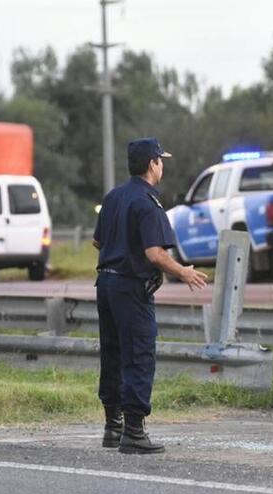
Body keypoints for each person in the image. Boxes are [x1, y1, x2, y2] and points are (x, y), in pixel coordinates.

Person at [93, 137, 208, 454]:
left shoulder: (114, 197)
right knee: (139, 355)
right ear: (152, 164)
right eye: (160, 160)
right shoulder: (148, 202)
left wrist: (121, 250)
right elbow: (155, 253)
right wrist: (183, 271)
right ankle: (133, 432)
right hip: (131, 287)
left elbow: (98, 243)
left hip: (106, 284)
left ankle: (112, 427)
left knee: (113, 354)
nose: (162, 165)